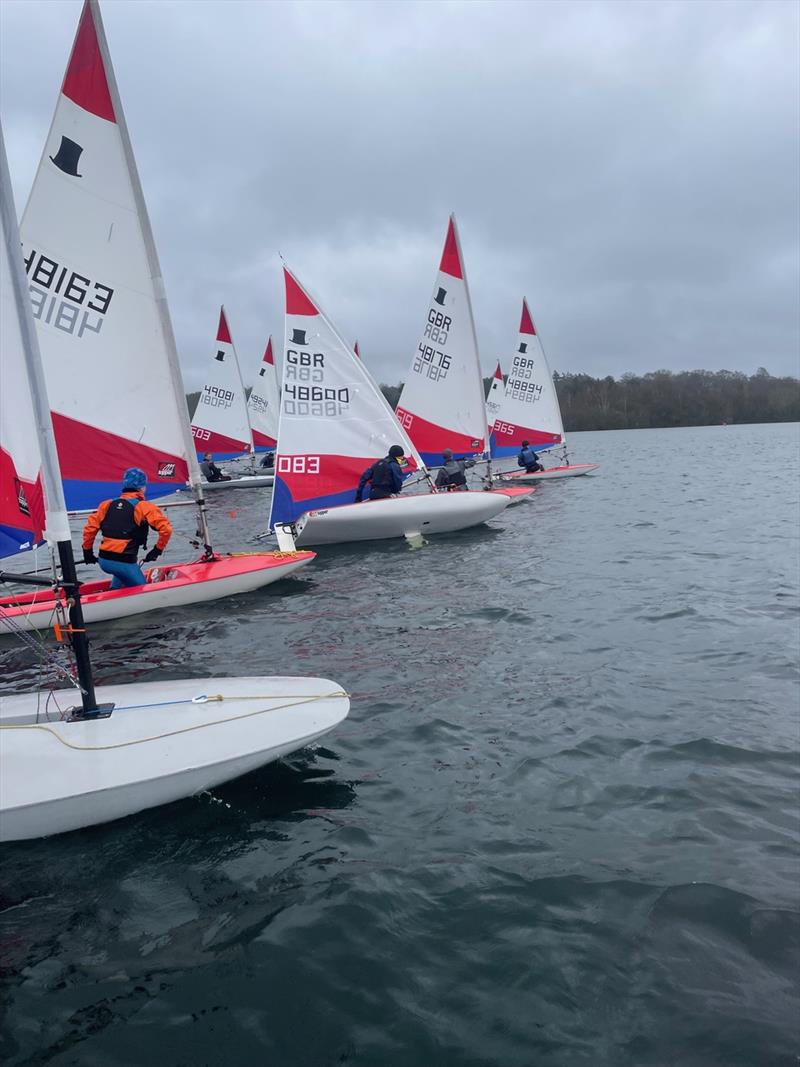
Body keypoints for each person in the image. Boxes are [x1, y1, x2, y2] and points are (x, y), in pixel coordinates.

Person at [82, 468, 173, 589]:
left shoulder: (106, 504)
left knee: (121, 574)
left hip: (104, 561)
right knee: (143, 590)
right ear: (142, 488)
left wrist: (87, 552)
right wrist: (157, 550)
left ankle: (113, 590)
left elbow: (89, 529)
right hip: (124, 563)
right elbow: (166, 530)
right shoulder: (144, 507)